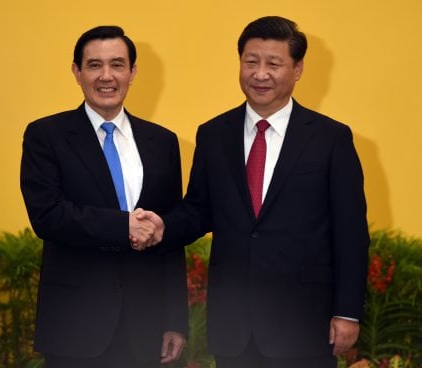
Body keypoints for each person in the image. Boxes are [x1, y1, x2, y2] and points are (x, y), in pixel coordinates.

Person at [136, 16, 369, 368]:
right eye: (251, 62)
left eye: (273, 64)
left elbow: (351, 233)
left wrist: (347, 312)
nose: (260, 74)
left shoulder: (331, 139)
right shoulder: (213, 134)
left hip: (304, 324)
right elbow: (199, 210)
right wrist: (162, 226)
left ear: (297, 68)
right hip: (234, 327)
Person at [20, 25, 187, 368]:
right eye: (94, 65)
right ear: (77, 72)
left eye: (117, 65)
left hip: (146, 327)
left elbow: (168, 235)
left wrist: (175, 320)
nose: (106, 76)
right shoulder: (46, 135)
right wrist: (123, 225)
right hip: (75, 327)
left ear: (132, 72)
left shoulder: (163, 142)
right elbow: (47, 215)